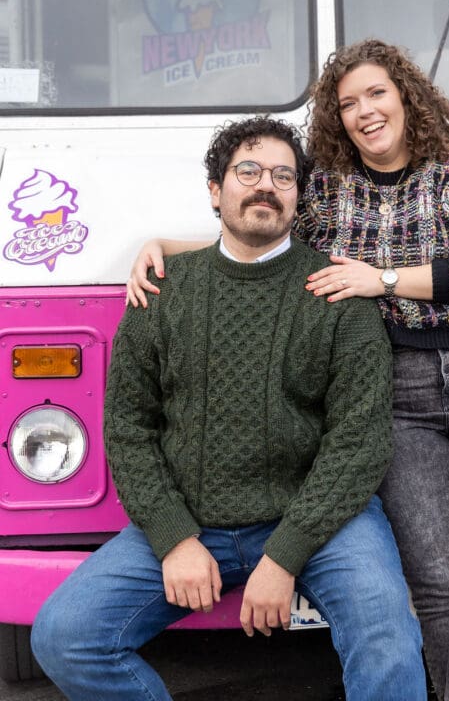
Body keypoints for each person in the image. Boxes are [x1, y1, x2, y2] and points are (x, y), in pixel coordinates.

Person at [126, 42, 449, 701]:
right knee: (435, 578)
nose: (363, 112)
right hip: (400, 383)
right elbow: (262, 231)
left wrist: (376, 278)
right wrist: (162, 247)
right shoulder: (330, 187)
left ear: (405, 97)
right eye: (347, 104)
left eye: (375, 94)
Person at [31, 116, 427, 701]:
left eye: (283, 176)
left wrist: (285, 555)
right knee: (64, 636)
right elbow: (129, 428)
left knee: (389, 641)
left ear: (297, 197)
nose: (266, 185)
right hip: (194, 521)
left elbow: (360, 442)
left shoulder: (340, 292)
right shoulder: (163, 289)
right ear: (216, 191)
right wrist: (173, 538)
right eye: (248, 170)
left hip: (319, 521)